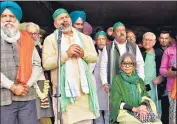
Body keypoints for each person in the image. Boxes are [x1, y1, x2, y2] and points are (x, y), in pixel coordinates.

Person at [42, 8, 99, 124]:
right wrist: (66, 54)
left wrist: (83, 54)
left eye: (66, 17)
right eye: (61, 18)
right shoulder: (51, 40)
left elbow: (94, 57)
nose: (65, 20)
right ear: (55, 23)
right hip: (64, 95)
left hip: (84, 93)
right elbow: (46, 64)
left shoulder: (83, 37)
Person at [0, 1, 42, 124]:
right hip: (4, 99)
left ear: (17, 19)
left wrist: (26, 86)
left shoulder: (27, 38)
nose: (8, 20)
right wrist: (12, 87)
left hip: (27, 97)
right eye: (4, 16)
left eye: (12, 16)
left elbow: (36, 64)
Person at [110, 52, 162, 124]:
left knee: (157, 122)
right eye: (124, 63)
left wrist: (142, 107)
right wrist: (135, 109)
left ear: (134, 66)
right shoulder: (117, 79)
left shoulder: (139, 80)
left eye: (130, 63)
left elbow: (145, 95)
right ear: (121, 65)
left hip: (141, 109)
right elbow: (116, 100)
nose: (127, 66)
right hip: (125, 111)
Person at [22, 22, 54, 124]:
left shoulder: (42, 49)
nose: (32, 36)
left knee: (43, 114)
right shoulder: (19, 48)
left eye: (35, 33)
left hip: (41, 83)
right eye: (29, 33)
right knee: (30, 115)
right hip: (26, 85)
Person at [100, 22, 144, 94]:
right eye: (118, 30)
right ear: (113, 34)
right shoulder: (108, 47)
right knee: (116, 104)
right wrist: (104, 83)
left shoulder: (133, 46)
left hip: (132, 85)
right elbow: (103, 66)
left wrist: (140, 80)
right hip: (114, 85)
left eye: (123, 30)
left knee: (132, 104)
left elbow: (140, 65)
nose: (121, 32)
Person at [142, 32, 164, 116]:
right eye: (145, 39)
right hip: (143, 86)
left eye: (150, 40)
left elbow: (165, 70)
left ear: (154, 42)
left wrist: (161, 77)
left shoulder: (159, 53)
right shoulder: (140, 54)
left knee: (155, 111)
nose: (147, 42)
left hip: (155, 87)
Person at [93, 31, 109, 124]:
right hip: (95, 82)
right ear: (95, 41)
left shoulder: (110, 51)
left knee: (108, 109)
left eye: (103, 39)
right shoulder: (93, 52)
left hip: (106, 83)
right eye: (99, 39)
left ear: (106, 40)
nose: (101, 41)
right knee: (97, 109)